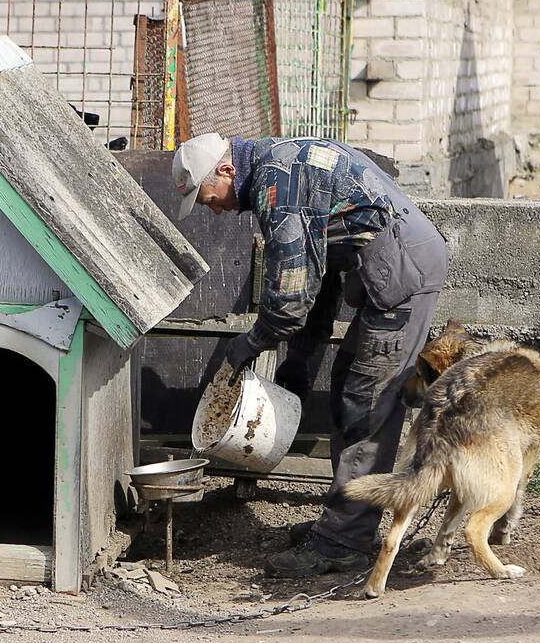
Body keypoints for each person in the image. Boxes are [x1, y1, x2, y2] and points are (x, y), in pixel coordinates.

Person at [172, 133, 448, 578]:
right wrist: (302, 354)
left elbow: (288, 299)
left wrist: (249, 343)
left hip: (403, 274)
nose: (214, 210)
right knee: (348, 388)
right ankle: (345, 522)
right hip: (394, 265)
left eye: (208, 199)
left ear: (225, 171)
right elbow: (316, 272)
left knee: (366, 404)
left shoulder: (276, 185)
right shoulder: (276, 164)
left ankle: (344, 543)